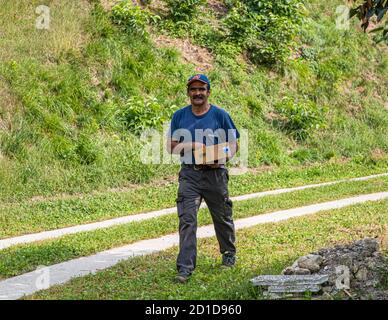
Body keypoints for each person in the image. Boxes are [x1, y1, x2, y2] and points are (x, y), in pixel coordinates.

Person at [167, 74, 240, 283]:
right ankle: (184, 268)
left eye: (201, 89)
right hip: (189, 174)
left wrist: (220, 155)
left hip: (215, 174)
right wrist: (194, 146)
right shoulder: (179, 116)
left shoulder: (220, 115)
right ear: (188, 93)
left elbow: (234, 144)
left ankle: (228, 254)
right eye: (193, 89)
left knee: (222, 215)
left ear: (208, 92)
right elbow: (171, 146)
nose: (197, 93)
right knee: (187, 219)